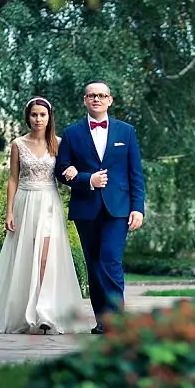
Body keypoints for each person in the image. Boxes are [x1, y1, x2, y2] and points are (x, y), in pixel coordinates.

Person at [0, 96, 86, 335]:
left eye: (42, 114)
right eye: (34, 114)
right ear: (28, 117)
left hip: (49, 202)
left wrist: (74, 171)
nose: (38, 119)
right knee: (26, 257)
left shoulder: (59, 143)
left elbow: (69, 170)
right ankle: (23, 313)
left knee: (45, 259)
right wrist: (9, 211)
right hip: (25, 202)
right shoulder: (18, 143)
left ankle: (45, 313)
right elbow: (12, 179)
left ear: (50, 117)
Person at [55, 80, 146, 334]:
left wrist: (138, 208)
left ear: (110, 100)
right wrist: (87, 180)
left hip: (118, 209)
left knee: (110, 259)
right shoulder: (72, 133)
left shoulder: (126, 131)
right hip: (86, 208)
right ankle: (102, 321)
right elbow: (61, 171)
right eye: (91, 95)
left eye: (101, 95)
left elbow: (135, 172)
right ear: (85, 100)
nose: (96, 99)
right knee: (94, 264)